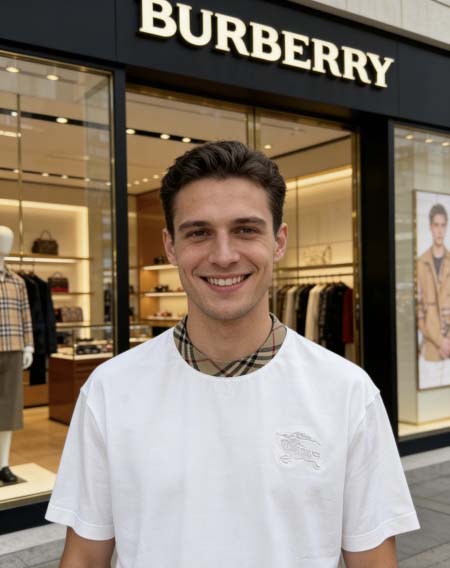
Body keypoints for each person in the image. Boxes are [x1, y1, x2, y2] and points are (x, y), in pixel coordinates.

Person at [46, 141, 419, 567]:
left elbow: (373, 560)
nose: (223, 256)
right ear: (171, 246)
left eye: (245, 230)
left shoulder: (347, 392)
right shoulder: (111, 390)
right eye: (199, 232)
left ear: (278, 241)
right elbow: (84, 556)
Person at [417, 203, 450, 388]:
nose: (440, 230)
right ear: (430, 227)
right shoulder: (421, 263)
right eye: (436, 225)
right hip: (430, 350)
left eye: (443, 225)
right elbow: (419, 313)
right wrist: (440, 342)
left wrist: (448, 343)